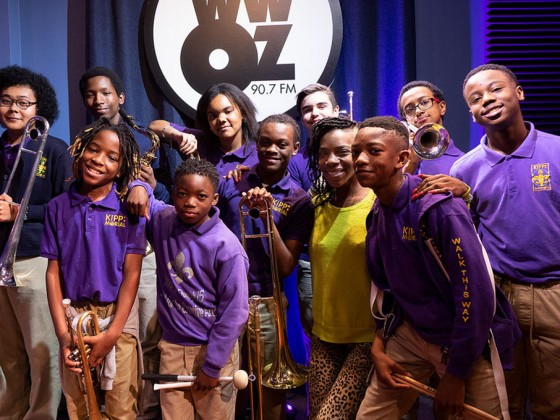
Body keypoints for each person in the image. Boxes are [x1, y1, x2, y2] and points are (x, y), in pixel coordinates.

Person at [353, 116, 515, 419]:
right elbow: (389, 290)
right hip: (411, 336)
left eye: (373, 151)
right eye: (356, 152)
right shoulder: (378, 211)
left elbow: (476, 295)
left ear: (402, 158)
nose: (360, 160)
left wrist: (456, 373)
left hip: (464, 342)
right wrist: (380, 343)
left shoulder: (439, 208)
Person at [450, 63, 560, 419]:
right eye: (476, 98)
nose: (487, 100)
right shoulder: (464, 170)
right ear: (471, 112)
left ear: (519, 93)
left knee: (553, 405)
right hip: (501, 299)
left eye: (495, 89)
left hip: (555, 295)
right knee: (502, 406)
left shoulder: (557, 151)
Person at [79, 66, 186, 417]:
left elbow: (172, 192)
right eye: (91, 94)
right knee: (115, 332)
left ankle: (148, 408)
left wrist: (150, 187)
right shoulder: (82, 145)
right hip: (103, 251)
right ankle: (112, 404)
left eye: (106, 93)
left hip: (146, 247)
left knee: (150, 331)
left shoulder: (145, 140)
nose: (98, 100)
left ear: (120, 97)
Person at [41, 118, 146, 419]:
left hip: (118, 321)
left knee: (121, 407)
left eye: (112, 157)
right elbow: (52, 273)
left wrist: (112, 334)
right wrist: (63, 336)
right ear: (81, 149)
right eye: (94, 150)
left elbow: (132, 274)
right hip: (74, 320)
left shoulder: (130, 209)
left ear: (122, 167)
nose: (99, 160)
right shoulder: (57, 207)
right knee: (79, 407)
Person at [135, 158, 249, 419]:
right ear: (173, 193)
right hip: (172, 347)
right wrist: (139, 185)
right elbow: (143, 193)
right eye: (183, 194)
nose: (190, 202)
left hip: (213, 351)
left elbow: (234, 314)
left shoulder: (227, 247)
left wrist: (212, 367)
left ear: (215, 199)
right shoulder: (164, 219)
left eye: (201, 196)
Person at [217, 114, 314, 419]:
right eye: (265, 142)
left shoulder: (299, 200)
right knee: (227, 378)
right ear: (256, 145)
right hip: (224, 297)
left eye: (281, 144)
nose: (272, 149)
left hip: (266, 300)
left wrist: (267, 216)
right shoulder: (234, 181)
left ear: (295, 148)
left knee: (271, 383)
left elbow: (286, 266)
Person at [0, 65, 73, 419]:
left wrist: (20, 213)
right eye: (6, 101)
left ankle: (42, 415)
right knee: (7, 356)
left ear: (38, 108)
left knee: (41, 352)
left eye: (23, 103)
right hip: (0, 262)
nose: (14, 109)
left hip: (34, 260)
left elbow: (69, 208)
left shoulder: (55, 149)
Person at [306, 117, 376, 419]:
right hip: (324, 337)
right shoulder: (317, 204)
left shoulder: (379, 203)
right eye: (324, 153)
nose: (331, 161)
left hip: (368, 339)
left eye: (342, 152)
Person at [149, 82, 259, 178]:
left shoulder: (258, 152)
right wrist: (177, 135)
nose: (221, 119)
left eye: (228, 111)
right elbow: (154, 125)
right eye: (213, 116)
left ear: (243, 113)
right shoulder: (201, 140)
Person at [397, 80, 464, 176]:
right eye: (410, 109)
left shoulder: (464, 162)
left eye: (424, 102)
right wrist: (411, 164)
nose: (418, 111)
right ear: (405, 119)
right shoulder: (397, 161)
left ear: (442, 107)